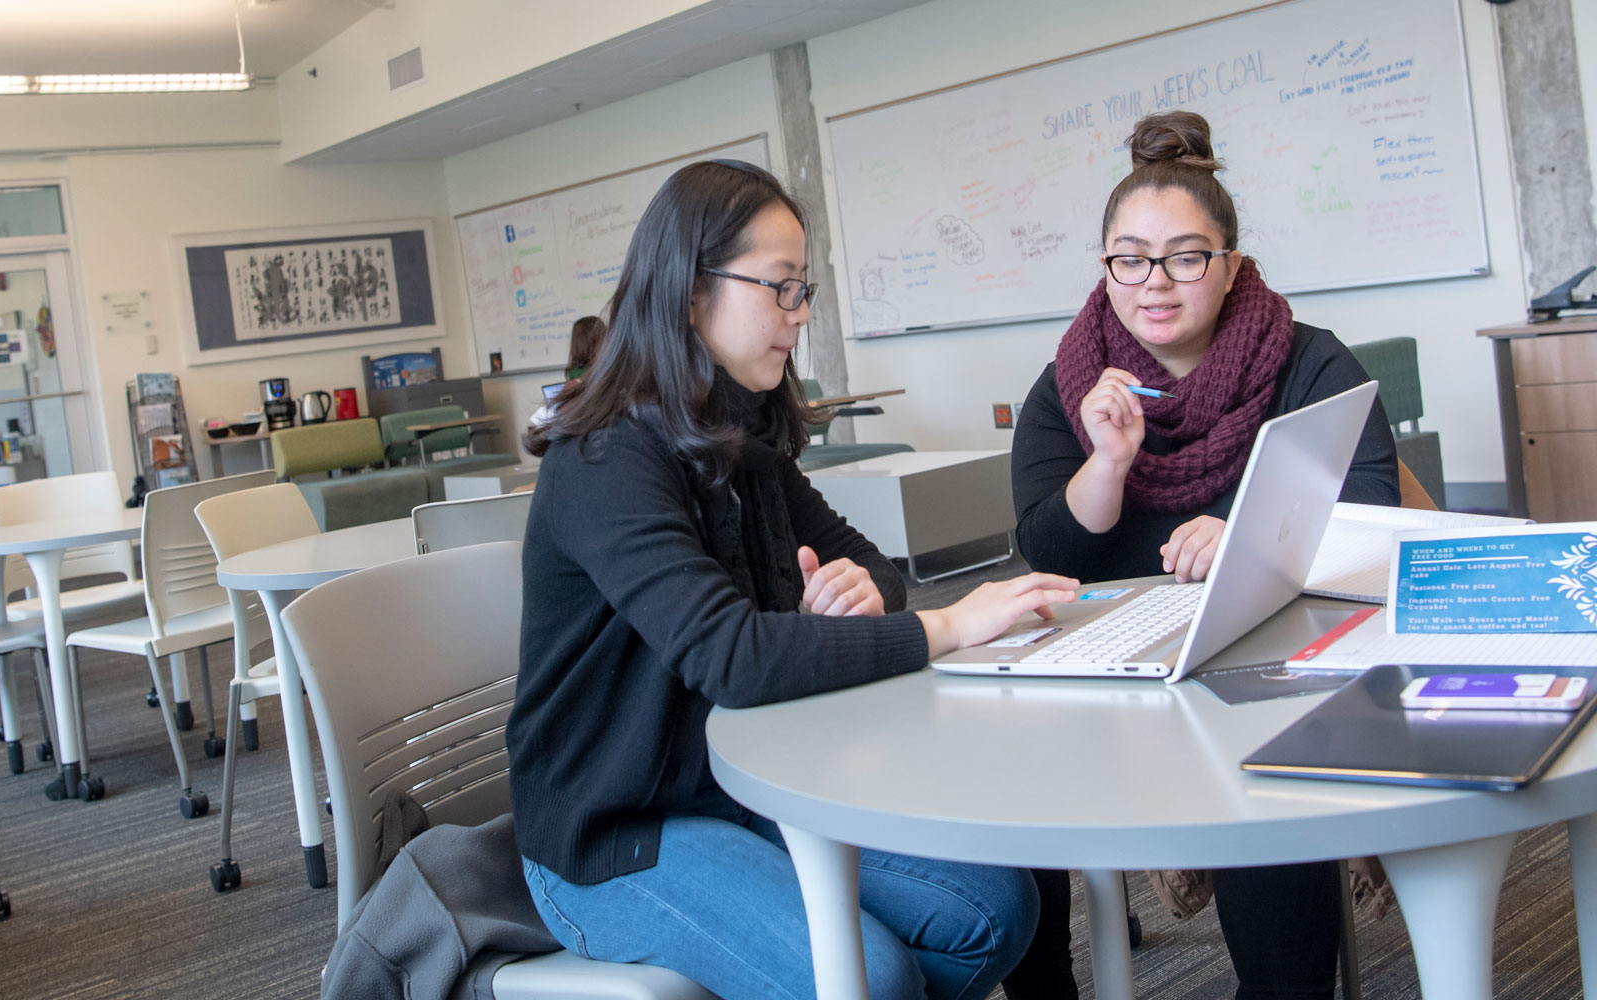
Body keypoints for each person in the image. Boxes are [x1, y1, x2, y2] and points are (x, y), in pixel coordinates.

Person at [509, 158, 1079, 999]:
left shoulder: (740, 434)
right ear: (691, 291)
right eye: (779, 288)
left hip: (747, 777)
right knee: (874, 975)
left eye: (802, 288)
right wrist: (947, 625)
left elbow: (873, 564)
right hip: (621, 828)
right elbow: (732, 658)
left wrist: (864, 591)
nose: (799, 314)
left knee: (995, 907)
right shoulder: (606, 457)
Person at [1000, 111, 1399, 1000]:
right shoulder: (1072, 380)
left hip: (1262, 661)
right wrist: (1107, 463)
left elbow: (1373, 504)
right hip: (1114, 671)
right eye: (1129, 259)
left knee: (1263, 787)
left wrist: (1253, 536)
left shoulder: (1306, 362)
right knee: (1007, 781)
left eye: (1186, 256)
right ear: (1105, 268)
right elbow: (1045, 545)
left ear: (1228, 263)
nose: (1155, 283)